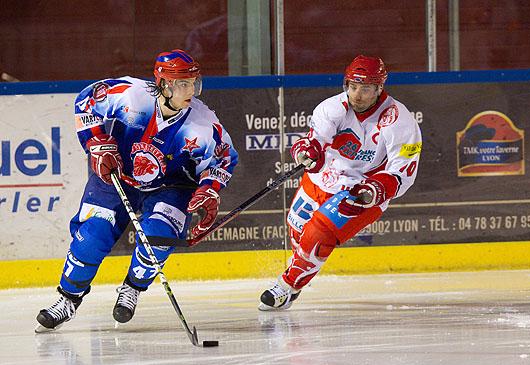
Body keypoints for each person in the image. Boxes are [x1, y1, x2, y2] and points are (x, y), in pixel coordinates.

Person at [35, 49, 238, 332]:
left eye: (193, 82)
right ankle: (67, 299)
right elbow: (86, 101)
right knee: (91, 236)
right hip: (117, 176)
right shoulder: (130, 96)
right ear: (164, 84)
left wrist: (209, 189)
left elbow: (224, 159)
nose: (190, 89)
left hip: (171, 185)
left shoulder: (204, 125)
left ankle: (132, 288)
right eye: (182, 83)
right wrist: (96, 143)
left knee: (159, 235)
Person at [258, 55, 422, 310]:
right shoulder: (332, 107)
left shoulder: (399, 119)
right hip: (321, 180)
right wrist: (307, 151)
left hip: (360, 190)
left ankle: (285, 286)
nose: (357, 94)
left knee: (319, 233)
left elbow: (404, 170)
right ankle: (296, 281)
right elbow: (316, 139)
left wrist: (376, 189)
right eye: (353, 86)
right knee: (298, 230)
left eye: (365, 88)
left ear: (379, 88)